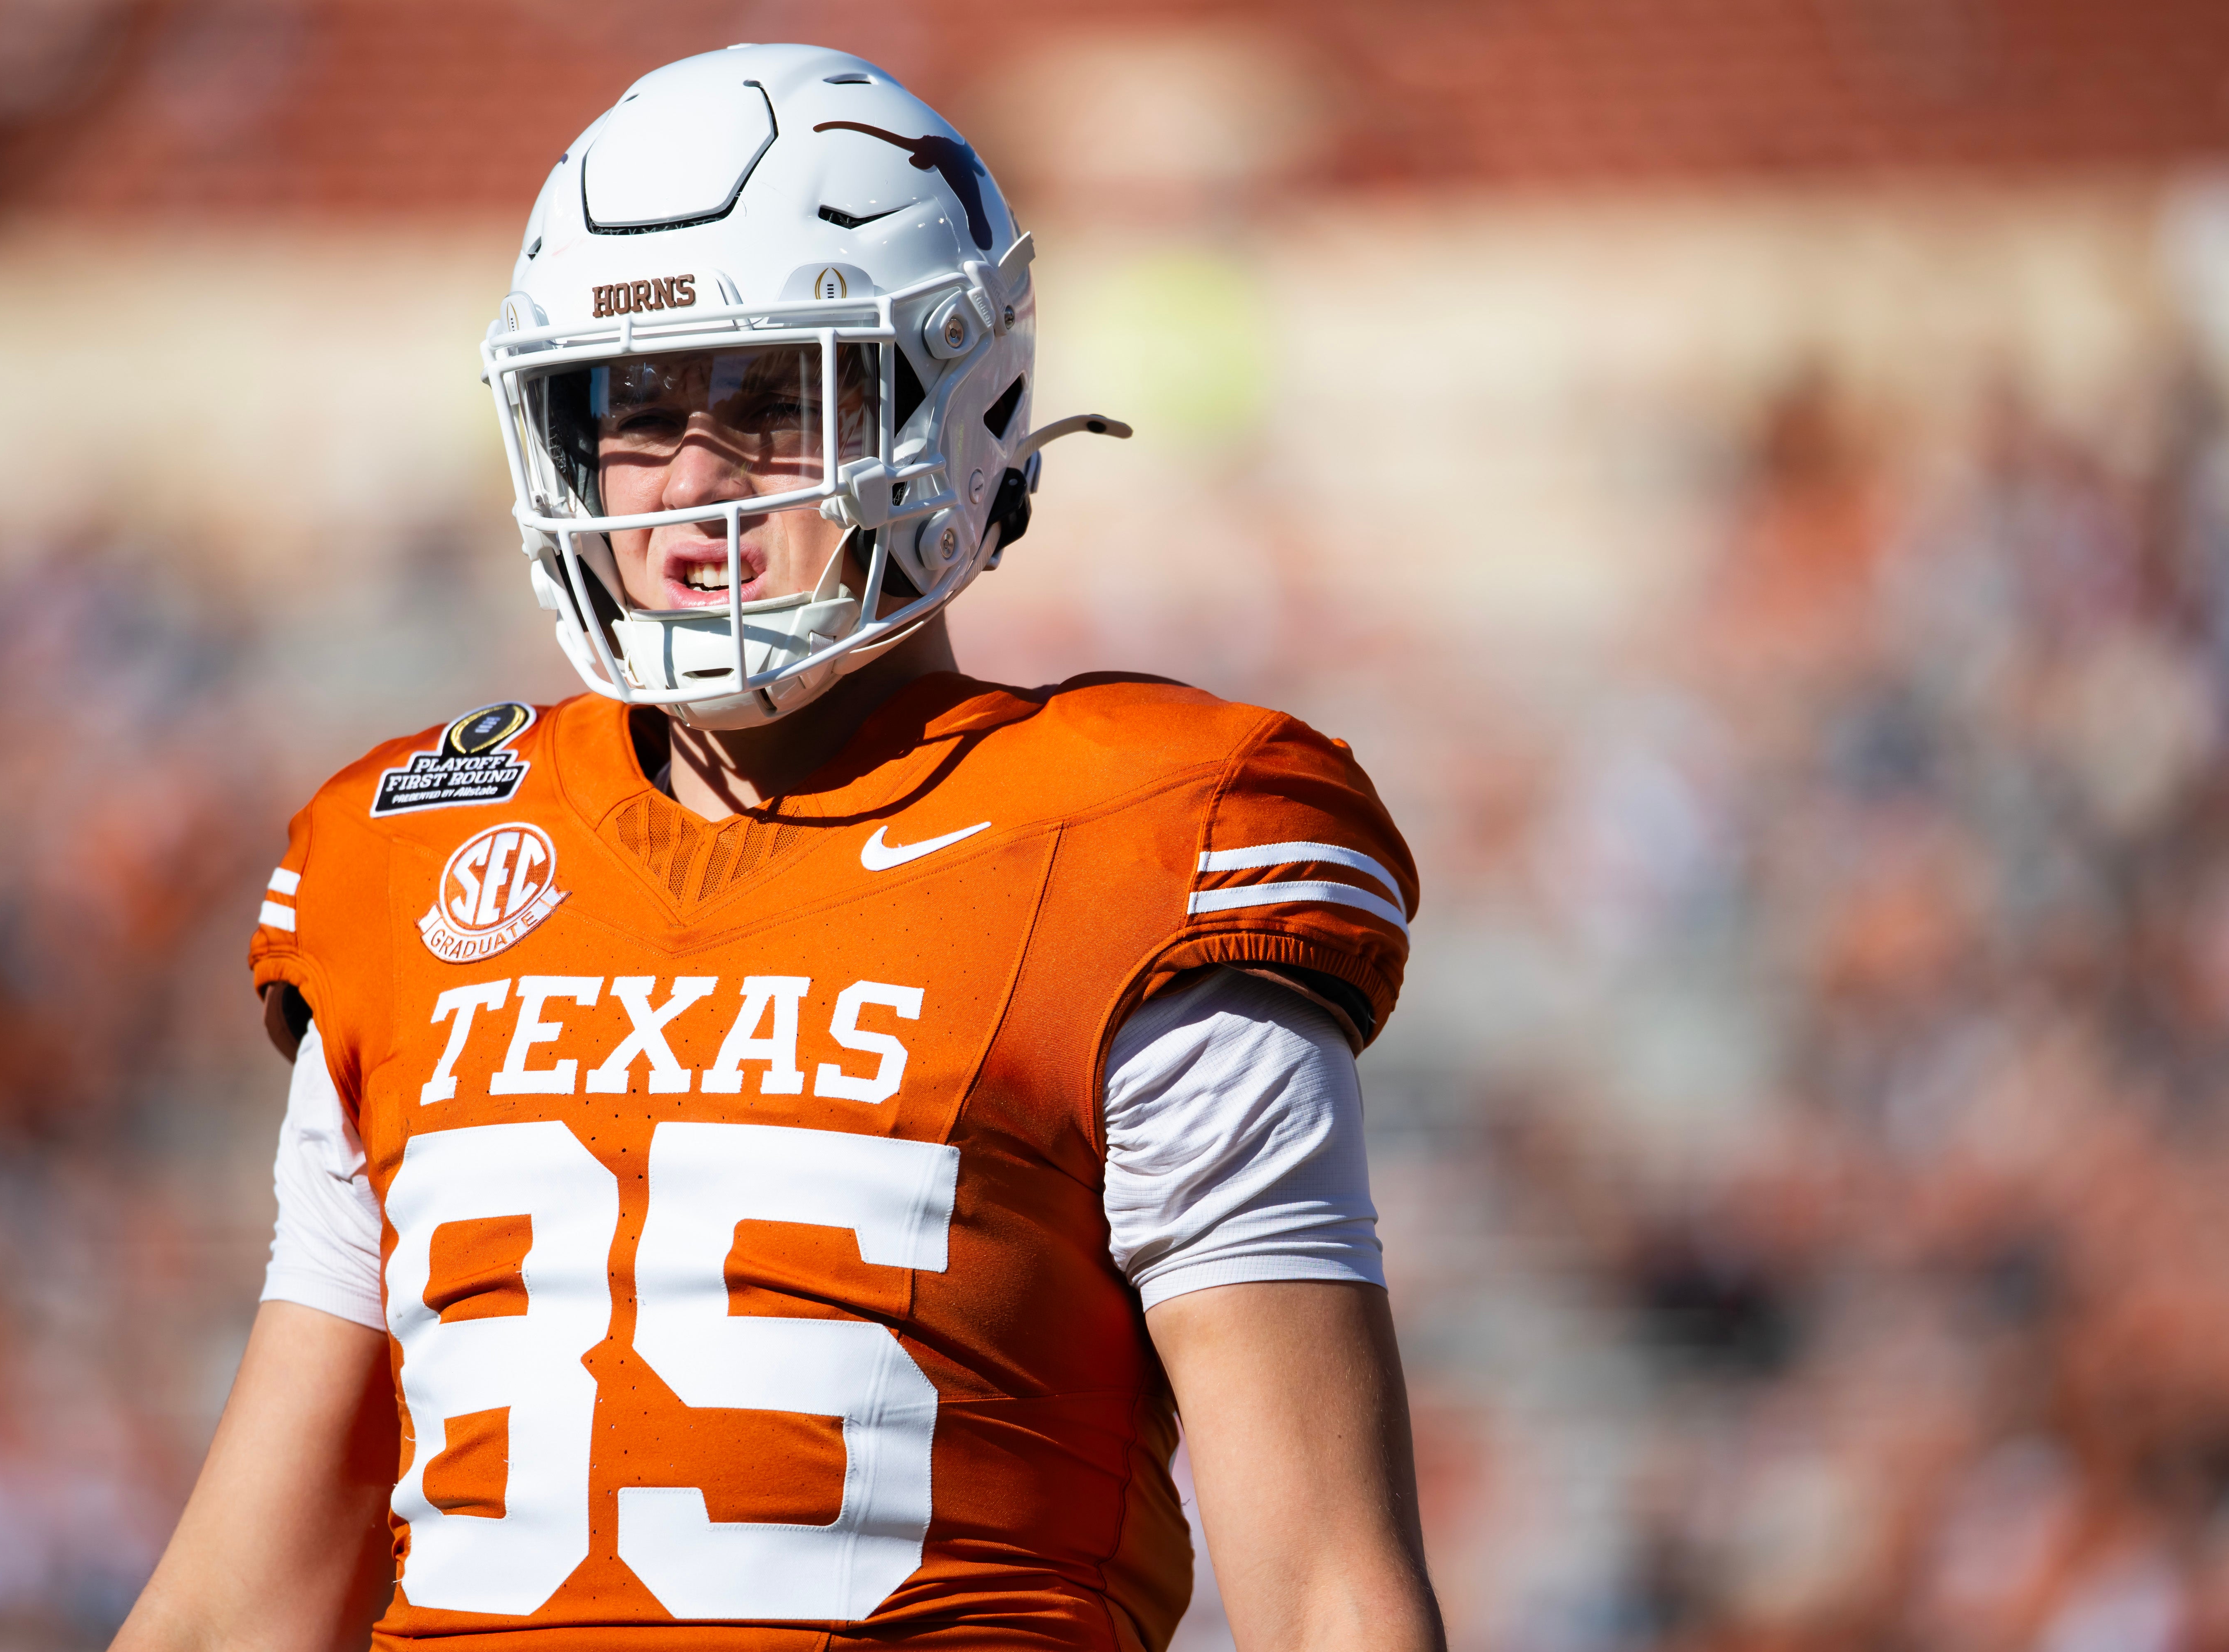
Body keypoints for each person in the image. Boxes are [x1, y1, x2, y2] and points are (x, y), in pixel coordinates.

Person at [113, 43, 1444, 1652]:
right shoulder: (408, 868)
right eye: (632, 407)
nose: (689, 485)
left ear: (963, 402)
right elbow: (243, 1599)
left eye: (769, 402)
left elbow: (1325, 1595)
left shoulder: (1137, 849)